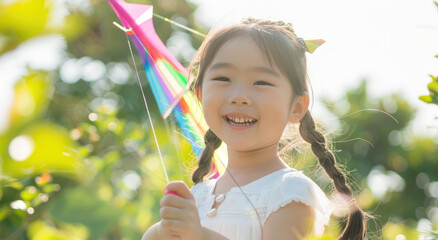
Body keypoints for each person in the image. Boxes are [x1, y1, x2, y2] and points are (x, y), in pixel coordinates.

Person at [142, 18, 367, 240]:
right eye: (223, 78)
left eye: (261, 82)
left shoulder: (290, 193)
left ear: (297, 107)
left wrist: (199, 235)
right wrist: (161, 232)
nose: (239, 97)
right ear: (200, 94)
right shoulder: (199, 196)